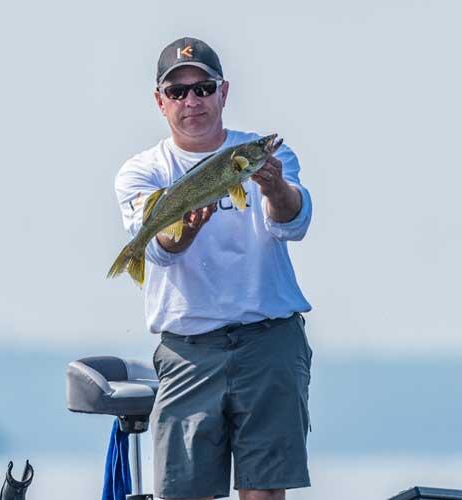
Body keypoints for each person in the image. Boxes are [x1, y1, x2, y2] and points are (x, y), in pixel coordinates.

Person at [113, 36, 313, 500]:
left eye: (202, 88)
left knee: (265, 490)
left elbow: (292, 223)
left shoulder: (268, 155)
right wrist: (184, 228)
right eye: (178, 91)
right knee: (185, 493)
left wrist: (274, 186)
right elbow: (162, 249)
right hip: (188, 349)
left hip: (269, 339)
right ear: (160, 101)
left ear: (223, 93)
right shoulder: (141, 170)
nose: (192, 101)